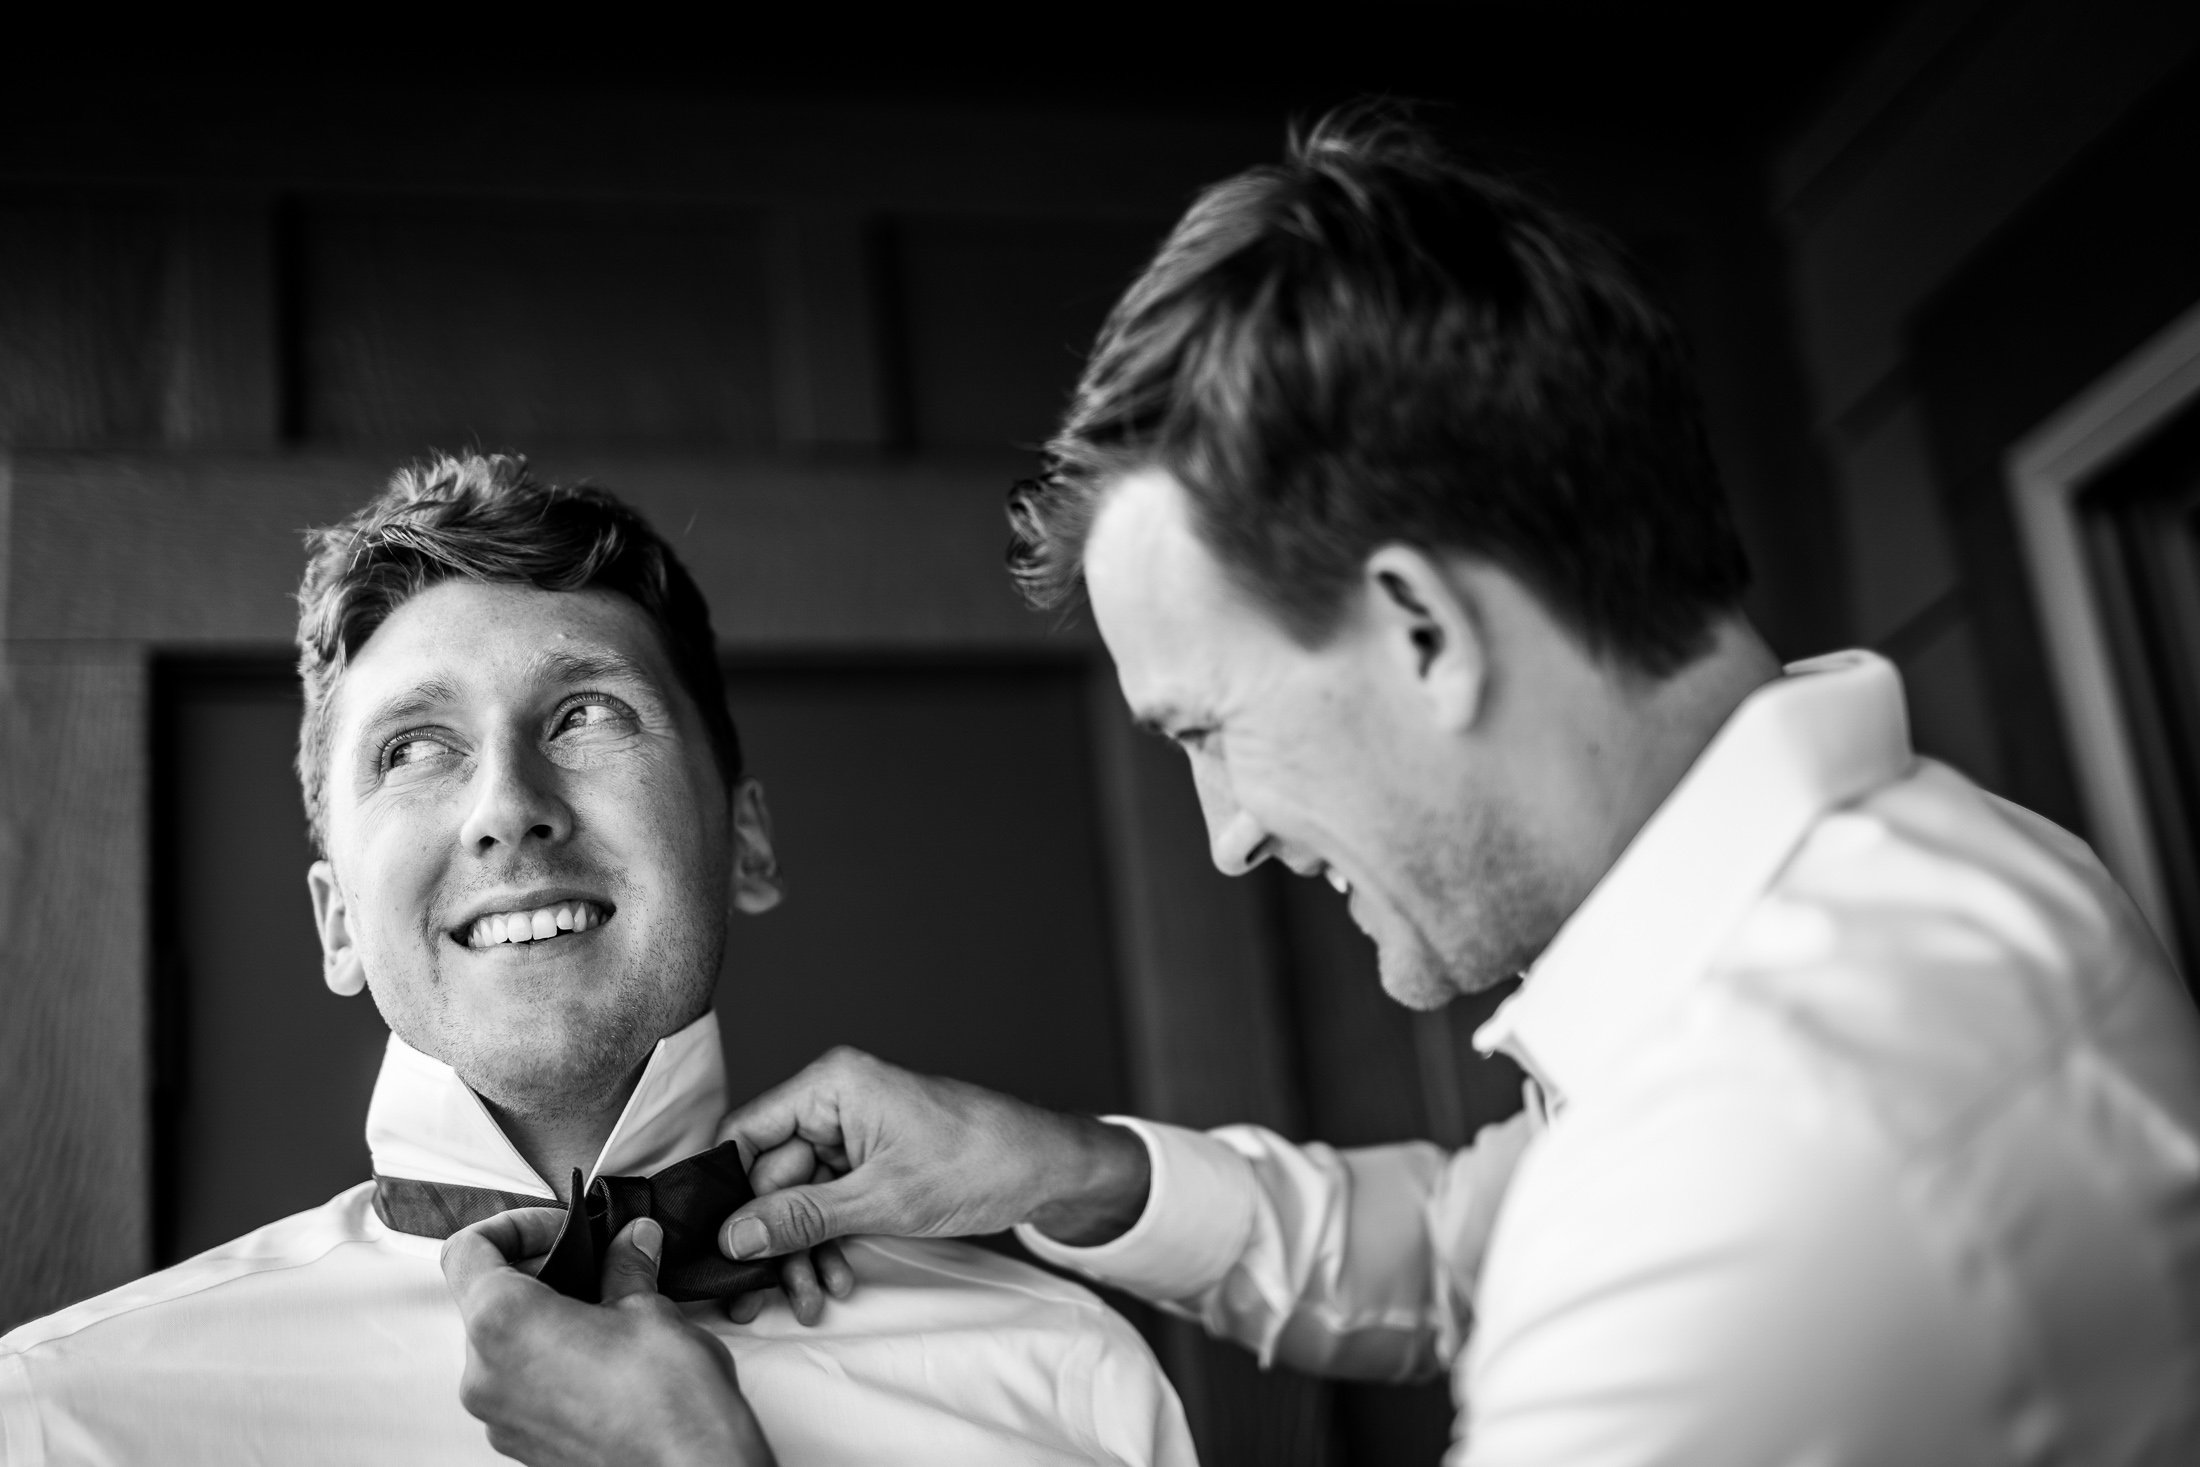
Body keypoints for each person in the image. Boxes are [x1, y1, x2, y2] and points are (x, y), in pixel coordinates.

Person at [447, 112, 2200, 1464]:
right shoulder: (1932, 883)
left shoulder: (1759, 1186)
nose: (1226, 836)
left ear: (1423, 629)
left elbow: (1633, 1236)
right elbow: (1483, 1235)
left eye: (1210, 728)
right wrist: (1070, 1171)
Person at [0, 453, 1193, 1467]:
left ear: (747, 841)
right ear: (338, 925)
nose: (507, 809)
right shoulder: (63, 1421)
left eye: (586, 716)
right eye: (416, 748)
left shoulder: (1062, 1386)